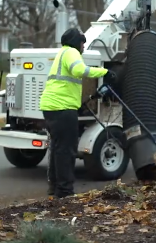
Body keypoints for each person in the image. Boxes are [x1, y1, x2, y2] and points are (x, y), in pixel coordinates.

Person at [39, 28, 116, 198]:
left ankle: (55, 188)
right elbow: (79, 70)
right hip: (62, 108)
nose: (83, 46)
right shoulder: (72, 52)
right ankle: (65, 192)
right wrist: (105, 72)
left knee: (58, 149)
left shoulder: (62, 53)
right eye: (82, 42)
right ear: (76, 42)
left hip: (51, 107)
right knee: (66, 150)